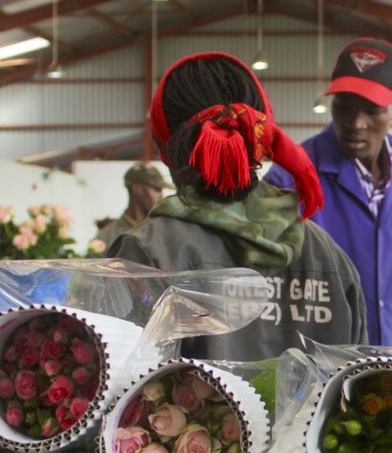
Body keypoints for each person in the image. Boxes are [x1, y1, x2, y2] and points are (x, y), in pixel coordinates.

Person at [108, 52, 366, 361]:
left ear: (165, 146)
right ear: (261, 135)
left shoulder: (147, 251)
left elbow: (120, 382)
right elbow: (357, 383)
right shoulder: (326, 253)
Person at [265, 37, 392, 348]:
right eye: (343, 106)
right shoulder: (290, 176)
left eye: (372, 110)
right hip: (324, 357)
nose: (355, 123)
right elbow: (270, 287)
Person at [93, 162, 172, 251]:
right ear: (137, 188)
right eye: (156, 189)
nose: (161, 196)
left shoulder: (166, 232)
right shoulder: (106, 238)